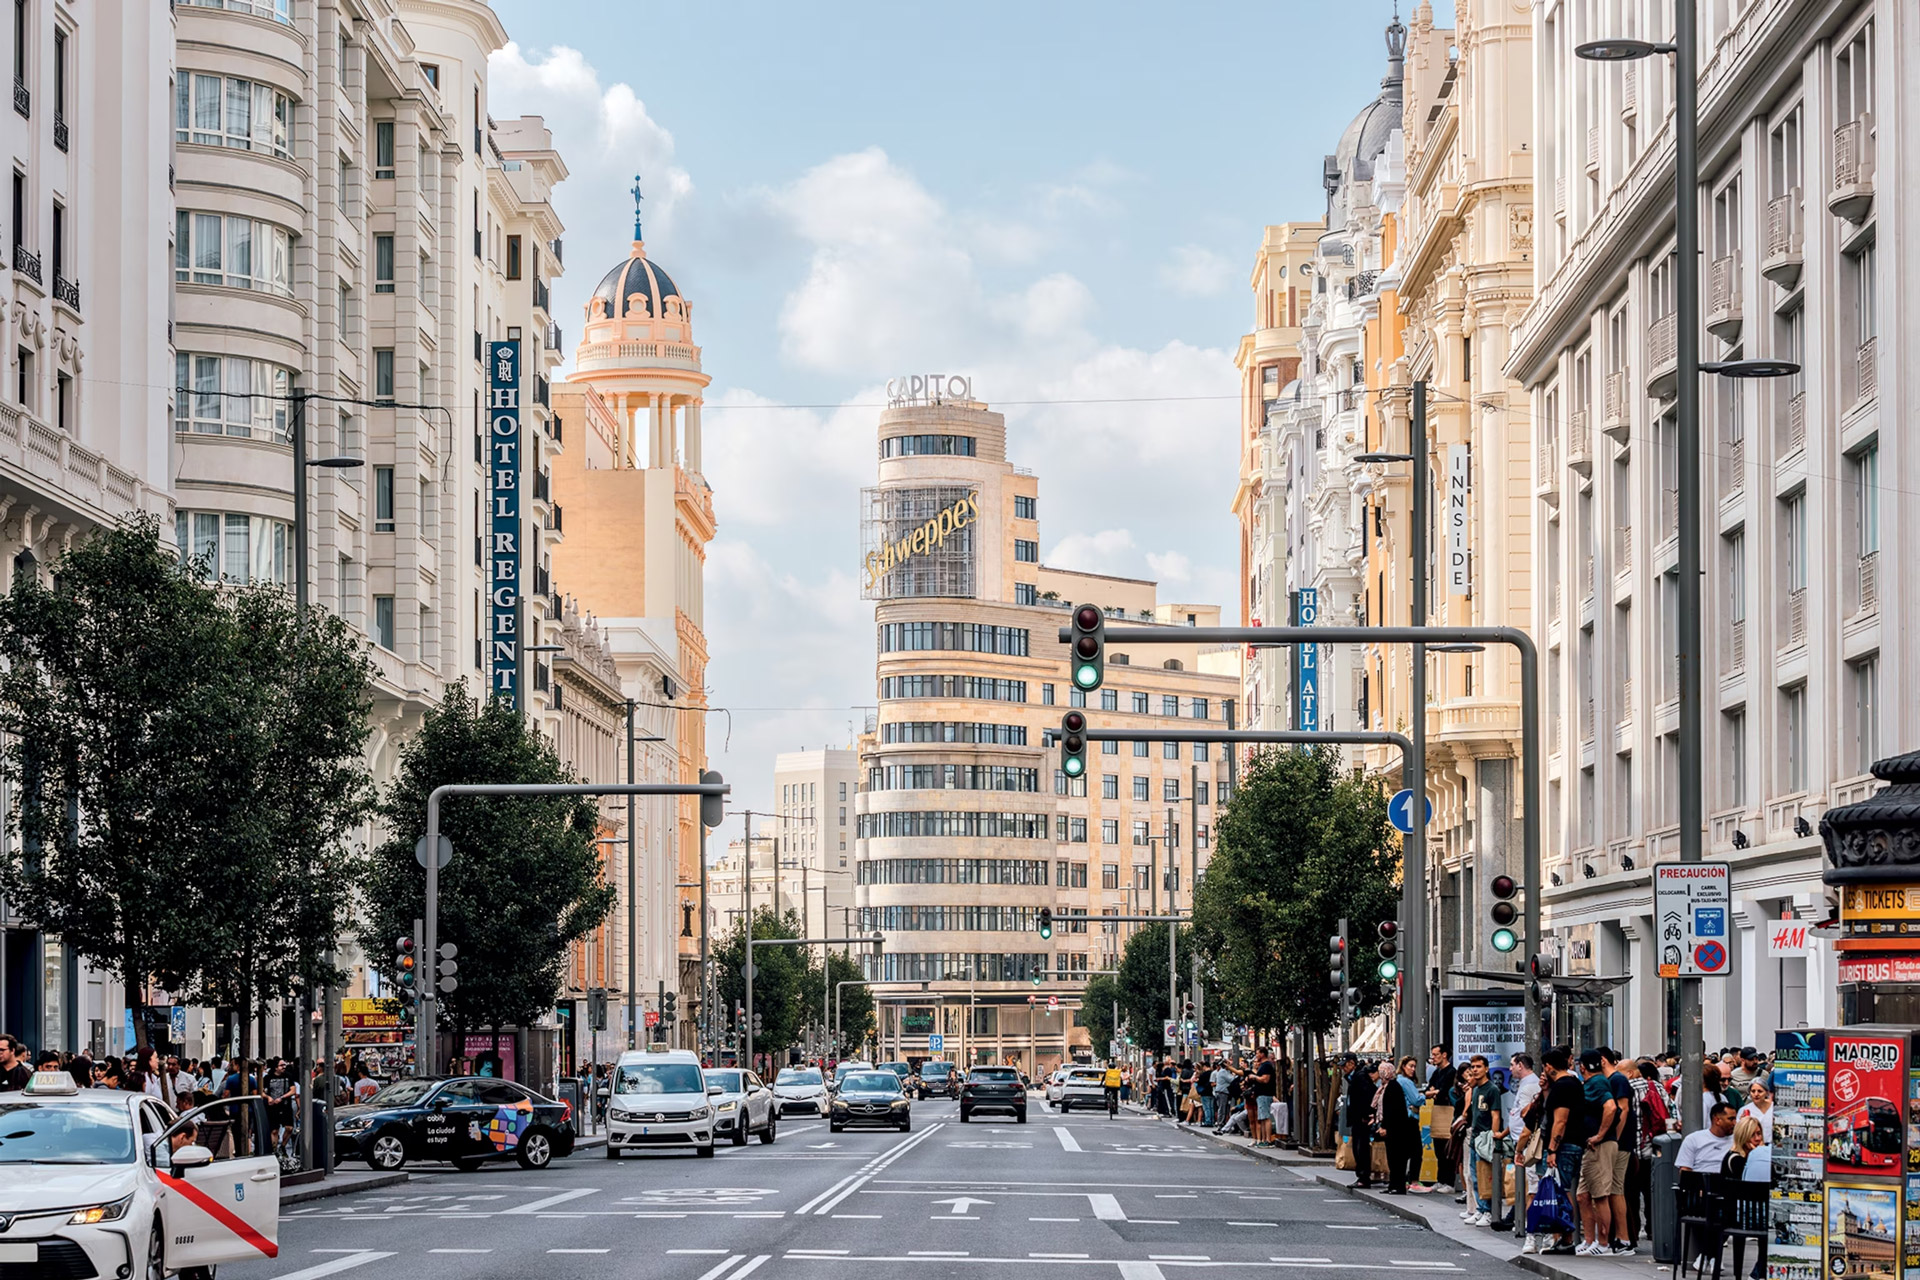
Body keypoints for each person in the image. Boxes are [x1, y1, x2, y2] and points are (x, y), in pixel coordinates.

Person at [1540, 1046, 1587, 1257]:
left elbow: (1560, 1121)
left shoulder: (1563, 1087)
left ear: (1549, 1066)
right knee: (1561, 1190)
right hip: (1573, 1143)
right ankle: (1561, 1238)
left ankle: (1566, 1238)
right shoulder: (1574, 1083)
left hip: (1563, 1146)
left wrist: (1552, 1149)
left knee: (1560, 1191)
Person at [1462, 1056, 1505, 1225]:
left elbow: (1496, 1115)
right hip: (1475, 1137)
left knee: (1485, 1175)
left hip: (1486, 1138)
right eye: (1473, 1066)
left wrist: (1493, 1136)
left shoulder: (1491, 1089)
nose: (1475, 1069)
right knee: (1475, 1174)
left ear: (1486, 1068)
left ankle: (1488, 1210)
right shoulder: (1476, 1089)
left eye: (1479, 1066)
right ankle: (1480, 1208)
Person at [1377, 1058, 1418, 1195]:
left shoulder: (1393, 1087)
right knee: (1393, 1158)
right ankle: (1393, 1185)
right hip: (1395, 1128)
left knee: (1397, 1158)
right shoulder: (1387, 1086)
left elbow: (1391, 1110)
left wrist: (1385, 1126)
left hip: (1396, 1129)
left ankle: (1398, 1186)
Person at [1424, 1045, 1458, 1195]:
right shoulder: (1436, 1072)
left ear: (1444, 1055)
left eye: (1436, 1054)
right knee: (1438, 1147)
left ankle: (1449, 1182)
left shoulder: (1451, 1072)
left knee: (1446, 1149)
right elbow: (1428, 1090)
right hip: (1438, 1111)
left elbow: (1444, 1091)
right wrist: (1434, 1092)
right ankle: (1440, 1179)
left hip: (1447, 1111)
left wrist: (1435, 1092)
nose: (1433, 1057)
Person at [1344, 1053, 1378, 1187]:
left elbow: (1368, 1095)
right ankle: (1362, 1176)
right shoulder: (1356, 1076)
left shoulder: (1360, 1076)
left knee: (1361, 1147)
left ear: (1352, 1063)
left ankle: (1364, 1177)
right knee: (1358, 1147)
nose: (1343, 1069)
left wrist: (1367, 1114)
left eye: (1345, 1065)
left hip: (1361, 1118)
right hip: (1358, 1117)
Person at [1675, 1102, 1739, 1172]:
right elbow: (1684, 1171)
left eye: (1735, 1119)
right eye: (1731, 1119)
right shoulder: (1693, 1139)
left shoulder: (1738, 1140)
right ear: (1717, 1120)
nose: (1734, 1123)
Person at [1736, 1078, 1774, 1143]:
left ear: (1767, 1093)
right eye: (1753, 1091)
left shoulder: (1774, 1108)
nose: (1756, 1094)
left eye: (1760, 1091)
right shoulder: (1744, 1110)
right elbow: (1738, 1134)